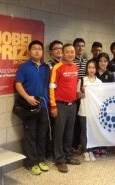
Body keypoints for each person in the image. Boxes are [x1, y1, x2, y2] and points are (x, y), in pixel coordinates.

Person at [15, 40, 50, 175]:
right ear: (29, 52)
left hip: (44, 105)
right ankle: (32, 163)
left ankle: (41, 160)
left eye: (39, 49)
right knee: (31, 135)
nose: (37, 51)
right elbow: (18, 84)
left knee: (42, 135)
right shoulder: (24, 67)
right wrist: (27, 97)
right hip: (29, 106)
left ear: (42, 52)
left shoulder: (46, 67)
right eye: (34, 49)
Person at [50, 43, 81, 173]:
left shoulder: (75, 67)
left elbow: (75, 86)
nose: (70, 54)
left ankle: (68, 156)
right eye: (67, 52)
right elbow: (52, 86)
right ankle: (59, 160)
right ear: (63, 53)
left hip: (72, 105)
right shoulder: (57, 67)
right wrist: (53, 105)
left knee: (69, 132)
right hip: (60, 105)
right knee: (59, 133)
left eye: (72, 52)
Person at [77, 60, 102, 162]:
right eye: (89, 67)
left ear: (96, 69)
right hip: (84, 110)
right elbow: (78, 96)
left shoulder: (99, 82)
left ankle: (91, 150)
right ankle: (85, 151)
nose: (91, 70)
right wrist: (83, 90)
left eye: (93, 68)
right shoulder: (82, 80)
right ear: (86, 69)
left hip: (94, 112)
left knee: (92, 132)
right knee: (84, 131)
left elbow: (101, 97)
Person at [46, 40, 63, 161]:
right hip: (53, 101)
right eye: (56, 48)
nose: (59, 51)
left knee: (63, 129)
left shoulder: (66, 64)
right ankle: (53, 154)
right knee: (54, 128)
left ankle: (62, 151)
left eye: (60, 48)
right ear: (51, 52)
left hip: (65, 101)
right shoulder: (48, 66)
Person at [95, 52, 115, 157]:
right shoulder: (93, 73)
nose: (103, 63)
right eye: (101, 61)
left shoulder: (110, 75)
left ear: (108, 62)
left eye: (105, 61)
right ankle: (96, 146)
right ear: (97, 62)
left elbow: (112, 91)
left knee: (104, 125)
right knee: (96, 126)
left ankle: (103, 147)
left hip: (105, 105)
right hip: (94, 104)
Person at [72, 38, 87, 151]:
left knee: (82, 120)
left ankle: (81, 144)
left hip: (84, 94)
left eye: (82, 45)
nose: (80, 48)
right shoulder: (71, 62)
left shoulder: (86, 61)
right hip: (73, 94)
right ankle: (74, 145)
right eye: (78, 46)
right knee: (75, 121)